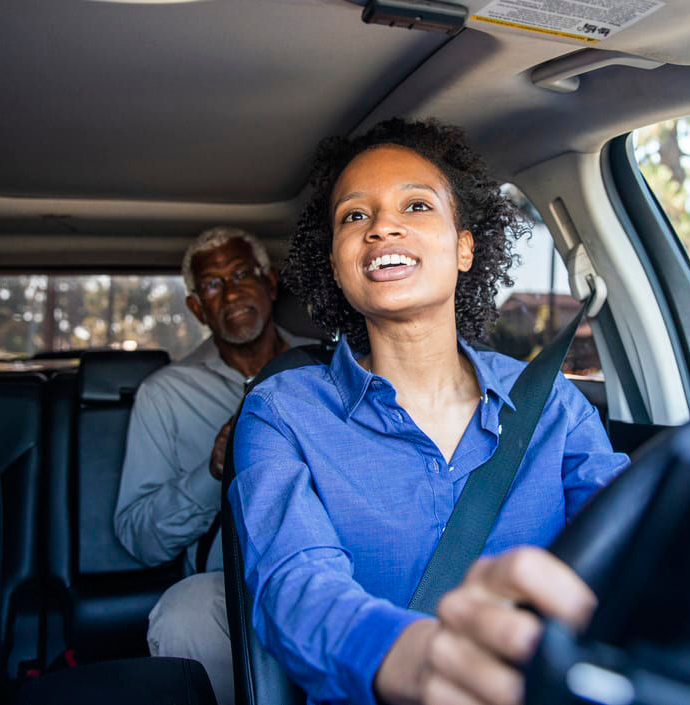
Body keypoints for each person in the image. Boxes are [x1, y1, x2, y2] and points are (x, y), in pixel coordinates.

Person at [229, 117, 631, 705]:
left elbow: (631, 528)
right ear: (338, 265)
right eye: (355, 216)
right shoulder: (281, 413)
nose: (382, 227)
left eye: (415, 207)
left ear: (465, 247)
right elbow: (294, 584)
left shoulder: (552, 404)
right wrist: (411, 657)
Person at [114, 225, 288, 705]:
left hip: (340, 563)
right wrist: (212, 473)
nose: (231, 292)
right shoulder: (165, 394)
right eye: (212, 284)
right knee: (184, 612)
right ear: (197, 307)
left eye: (242, 274)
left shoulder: (329, 367)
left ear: (270, 282)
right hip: (231, 584)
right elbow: (138, 538)